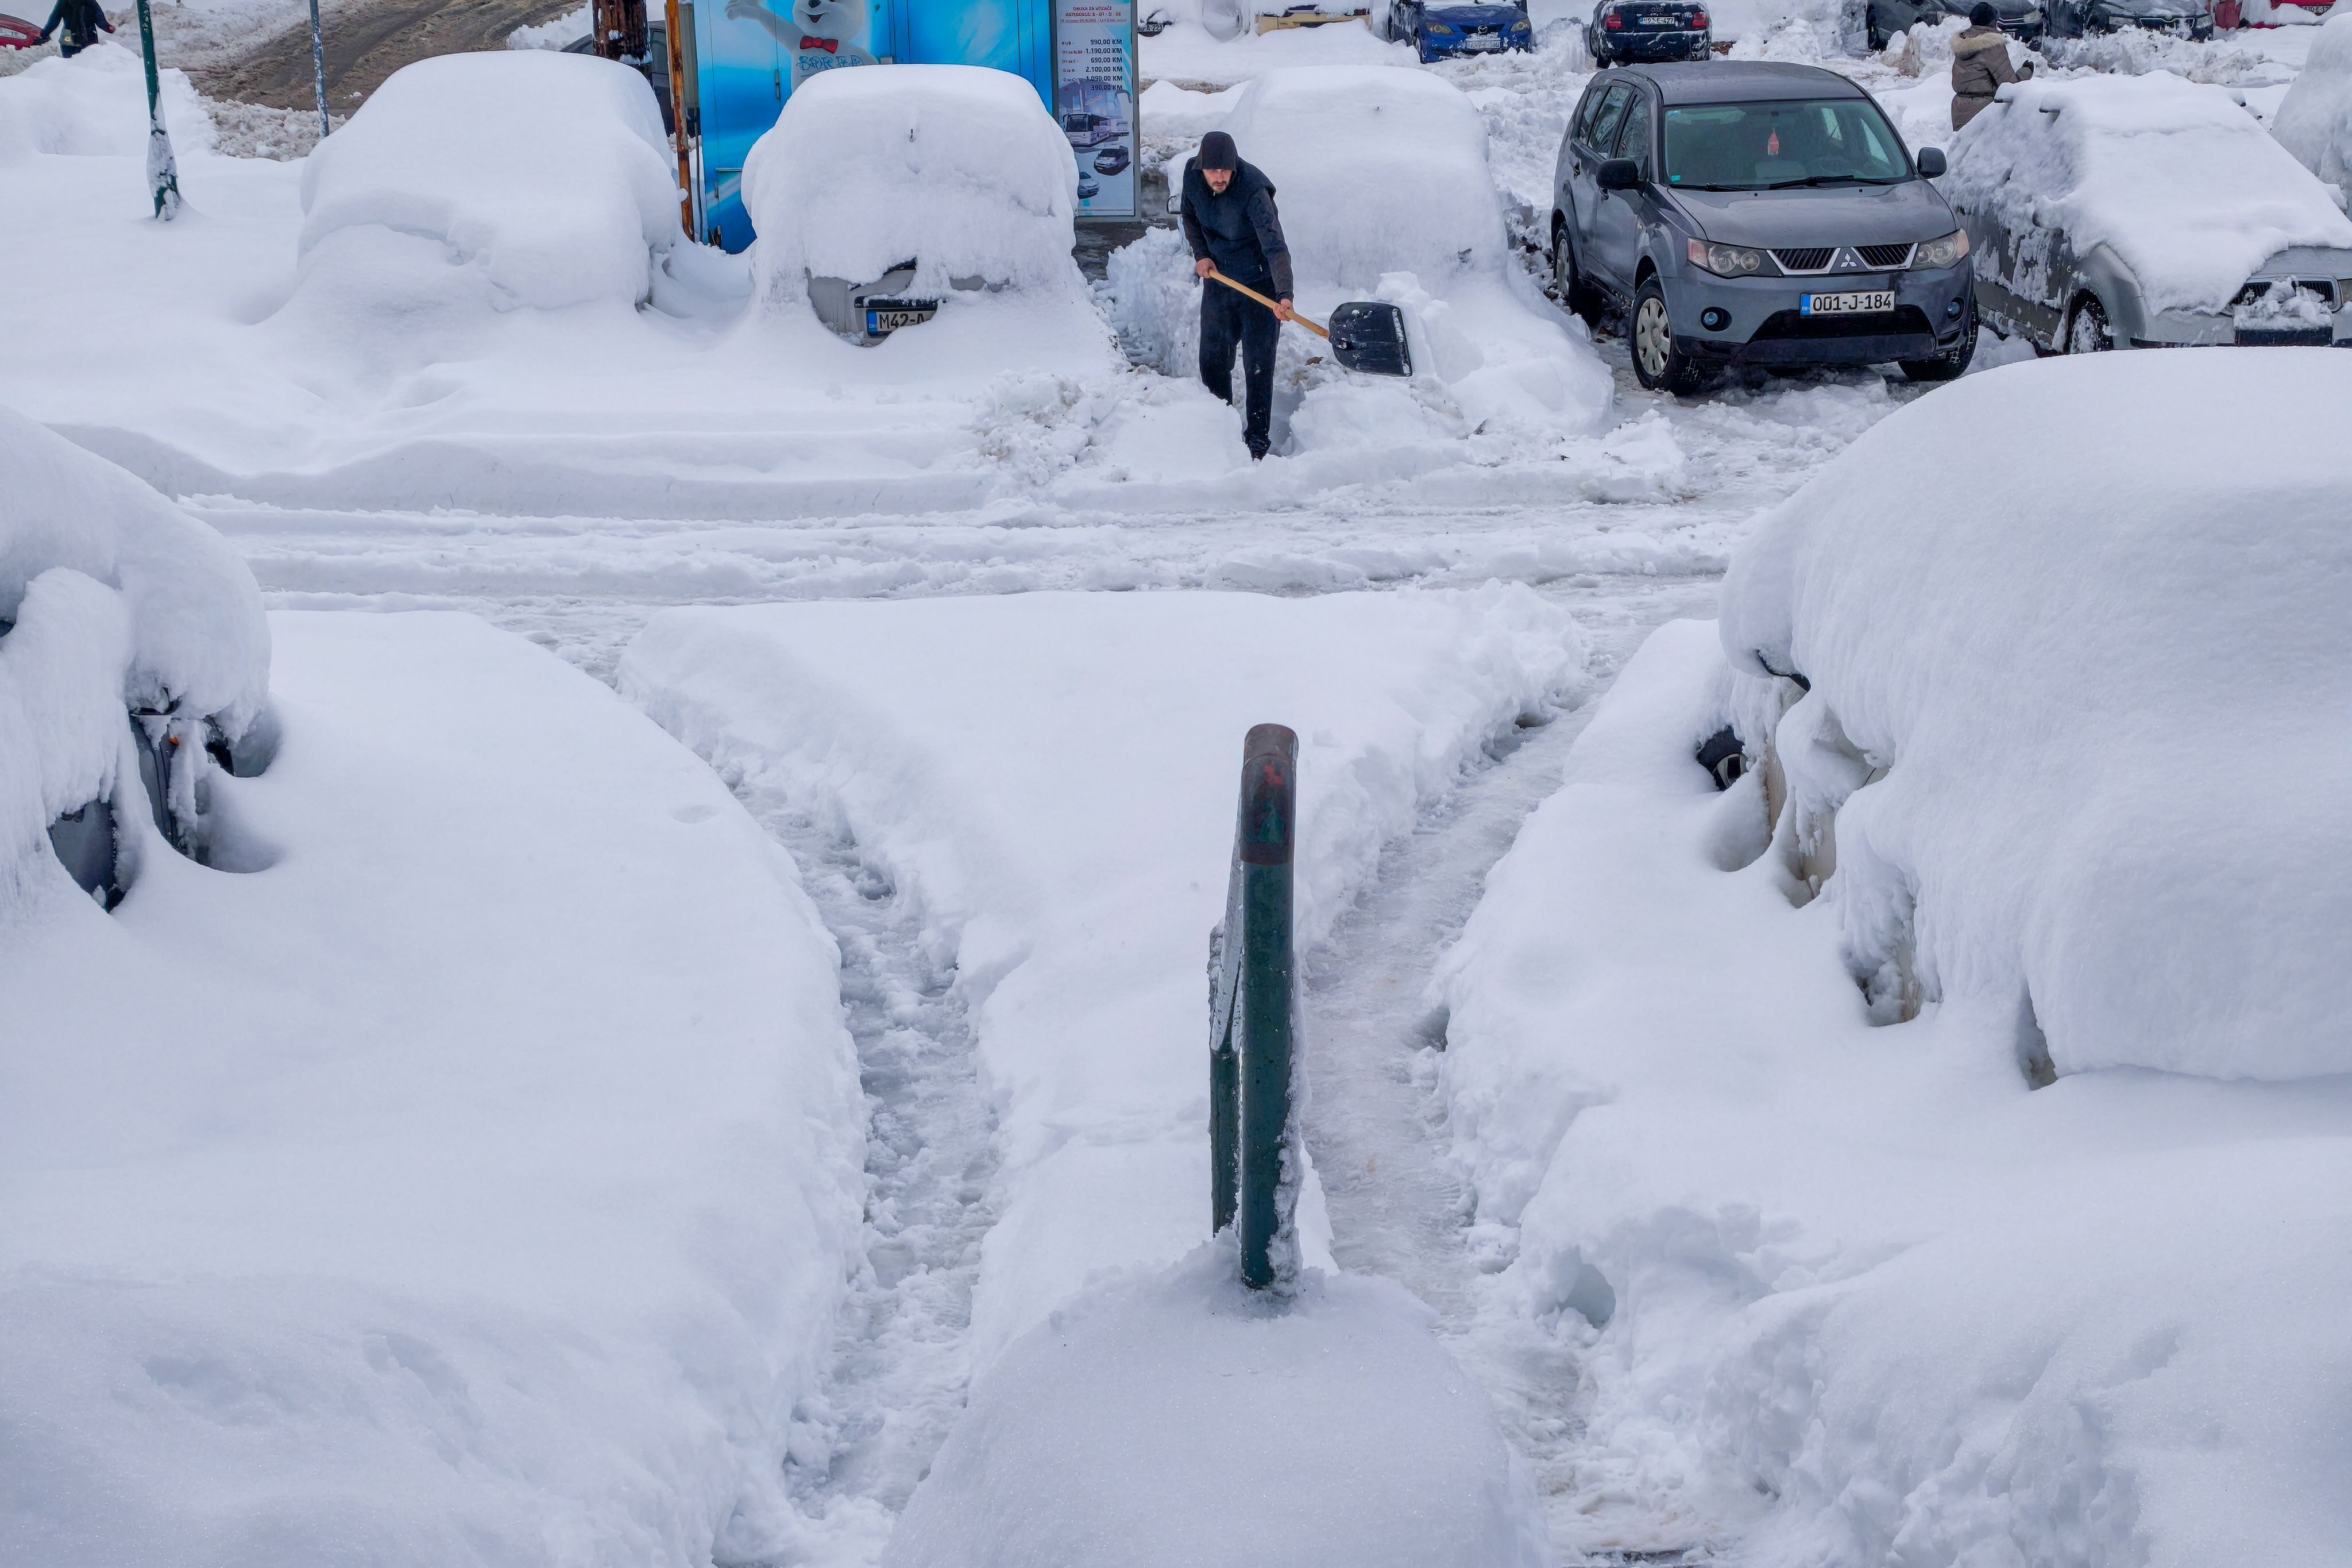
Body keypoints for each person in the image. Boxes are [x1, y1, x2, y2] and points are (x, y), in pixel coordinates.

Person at [1179, 130, 1293, 462]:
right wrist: (1202, 254)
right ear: (1201, 167)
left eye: (1225, 170)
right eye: (1212, 170)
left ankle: (1257, 440)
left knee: (1259, 365)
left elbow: (1275, 246)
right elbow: (1189, 217)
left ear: (1235, 167)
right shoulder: (1192, 177)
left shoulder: (1254, 192)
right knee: (1213, 360)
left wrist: (1284, 294)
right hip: (1219, 280)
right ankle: (1220, 430)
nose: (1218, 177)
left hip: (1260, 286)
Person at [1951, 3, 2032, 131]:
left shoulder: (1963, 42)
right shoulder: (1992, 45)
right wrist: (2026, 71)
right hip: (1984, 112)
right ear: (1993, 23)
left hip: (1959, 110)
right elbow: (2009, 85)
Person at [37, 0, 115, 57]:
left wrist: (44, 33)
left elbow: (55, 19)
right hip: (88, 38)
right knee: (89, 65)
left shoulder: (63, 2)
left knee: (68, 64)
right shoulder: (90, 2)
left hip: (68, 37)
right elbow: (99, 18)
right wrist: (108, 28)